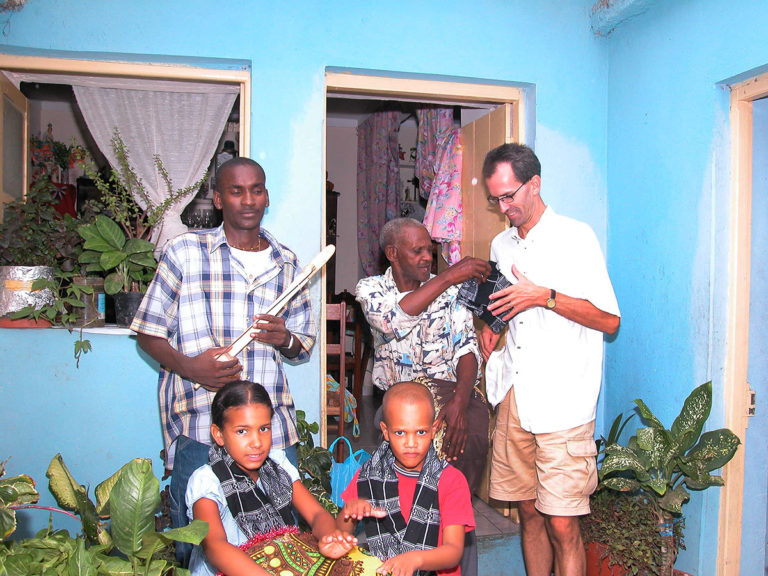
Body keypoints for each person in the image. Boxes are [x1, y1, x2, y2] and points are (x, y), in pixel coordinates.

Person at [131, 157, 316, 566]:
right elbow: (147, 331)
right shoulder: (184, 252)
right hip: (201, 425)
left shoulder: (288, 263)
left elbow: (303, 346)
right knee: (200, 547)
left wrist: (283, 337)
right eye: (236, 191)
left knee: (282, 542)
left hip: (271, 434)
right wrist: (191, 367)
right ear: (218, 198)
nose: (249, 200)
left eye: (257, 189)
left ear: (266, 196)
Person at [479, 143, 621, 576]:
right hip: (515, 396)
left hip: (563, 402)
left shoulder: (575, 237)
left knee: (563, 522)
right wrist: (493, 324)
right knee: (530, 514)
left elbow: (609, 321)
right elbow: (505, 303)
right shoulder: (501, 243)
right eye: (495, 199)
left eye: (510, 196)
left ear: (535, 183)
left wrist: (546, 297)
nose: (504, 207)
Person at [355, 218, 491, 493]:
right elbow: (393, 320)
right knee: (409, 485)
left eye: (429, 250)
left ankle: (455, 527)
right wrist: (449, 276)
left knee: (460, 462)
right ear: (392, 253)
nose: (428, 258)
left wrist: (460, 404)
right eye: (417, 251)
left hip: (450, 396)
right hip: (399, 404)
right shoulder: (371, 290)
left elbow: (467, 349)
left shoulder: (451, 293)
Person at [187, 380, 355, 576]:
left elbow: (316, 514)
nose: (257, 442)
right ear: (218, 434)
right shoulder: (207, 481)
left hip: (279, 567)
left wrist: (329, 537)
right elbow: (215, 547)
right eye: (242, 431)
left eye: (263, 428)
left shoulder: (277, 464)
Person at [336, 381, 475, 576]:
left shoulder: (452, 481)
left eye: (420, 432)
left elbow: (453, 551)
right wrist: (349, 513)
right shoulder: (368, 476)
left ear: (434, 429)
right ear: (385, 432)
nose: (411, 443)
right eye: (400, 433)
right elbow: (342, 534)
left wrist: (416, 558)